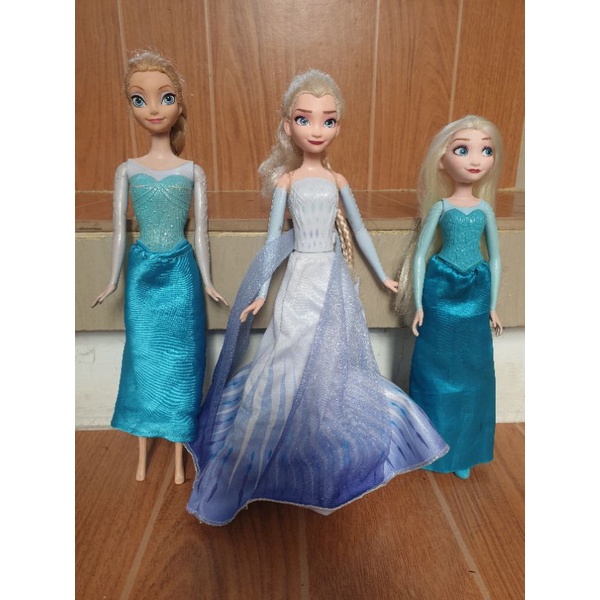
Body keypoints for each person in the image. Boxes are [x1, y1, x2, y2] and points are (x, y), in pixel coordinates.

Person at [186, 69, 448, 525]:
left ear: (338, 126)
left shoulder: (337, 180)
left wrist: (382, 275)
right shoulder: (286, 183)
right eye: (304, 119)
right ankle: (250, 459)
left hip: (332, 278)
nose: (316, 129)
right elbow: (273, 241)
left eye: (328, 120)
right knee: (285, 353)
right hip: (299, 276)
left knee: (333, 356)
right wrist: (261, 291)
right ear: (288, 125)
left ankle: (320, 438)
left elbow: (359, 229)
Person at [92, 50, 227, 484]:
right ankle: (140, 452)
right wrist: (112, 279)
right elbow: (120, 230)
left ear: (179, 104)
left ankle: (177, 456)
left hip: (182, 276)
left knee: (183, 361)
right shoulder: (127, 170)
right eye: (139, 99)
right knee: (143, 358)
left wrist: (207, 280)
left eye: (165, 98)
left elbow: (201, 233)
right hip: (142, 276)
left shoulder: (192, 171)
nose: (153, 108)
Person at [396, 115, 504, 479]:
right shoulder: (441, 208)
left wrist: (492, 305)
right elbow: (420, 255)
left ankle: (464, 451)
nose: (475, 159)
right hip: (441, 289)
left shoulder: (485, 210)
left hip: (476, 289)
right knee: (435, 368)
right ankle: (431, 445)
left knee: (474, 373)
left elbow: (496, 257)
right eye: (463, 150)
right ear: (442, 160)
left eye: (486, 151)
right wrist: (419, 304)